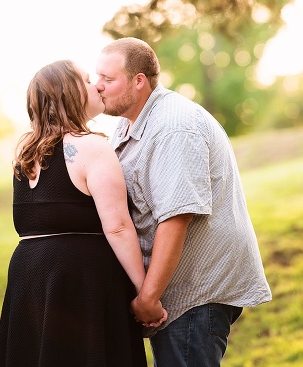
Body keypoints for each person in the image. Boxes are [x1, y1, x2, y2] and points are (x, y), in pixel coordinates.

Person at [95, 37, 272, 367]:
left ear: (138, 81)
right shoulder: (129, 123)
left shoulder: (173, 127)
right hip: (177, 291)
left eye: (108, 78)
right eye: (97, 77)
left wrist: (148, 297)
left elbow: (176, 218)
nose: (98, 86)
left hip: (196, 293)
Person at [0, 60, 166, 367]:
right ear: (68, 93)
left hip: (28, 275)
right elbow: (117, 226)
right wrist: (146, 294)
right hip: (80, 281)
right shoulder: (92, 147)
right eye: (87, 80)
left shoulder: (25, 153)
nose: (97, 86)